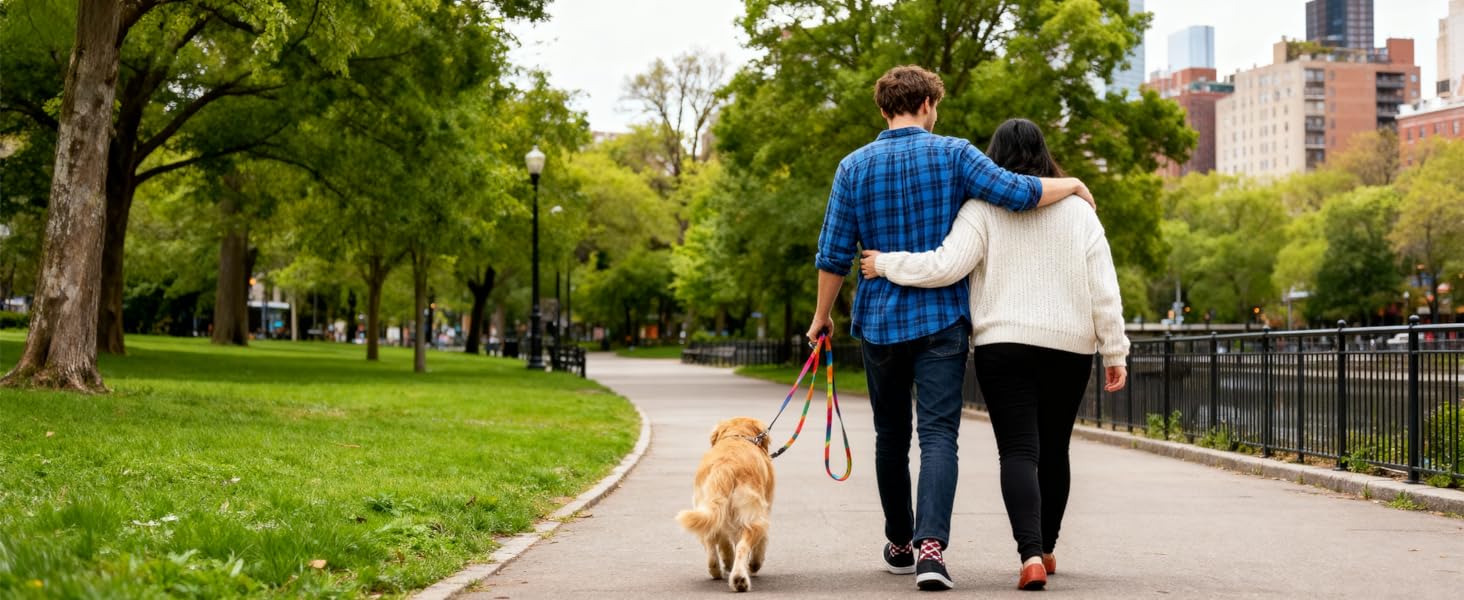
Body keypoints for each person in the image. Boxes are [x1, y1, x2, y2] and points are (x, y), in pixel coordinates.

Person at [808, 65, 1094, 592]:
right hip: (941, 321)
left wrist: (821, 317)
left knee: (891, 434)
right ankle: (931, 550)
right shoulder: (956, 154)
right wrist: (1072, 183)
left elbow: (833, 255)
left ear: (883, 109)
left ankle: (900, 541)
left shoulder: (852, 167)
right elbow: (1018, 192)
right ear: (928, 105)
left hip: (879, 321)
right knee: (939, 435)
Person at [860, 118, 1129, 591]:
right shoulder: (1080, 211)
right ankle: (1047, 549)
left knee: (1018, 451)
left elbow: (944, 266)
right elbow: (1103, 288)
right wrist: (1114, 350)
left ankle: (1029, 555)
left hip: (1003, 346)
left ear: (995, 158)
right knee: (1056, 449)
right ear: (1045, 154)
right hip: (1070, 346)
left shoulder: (981, 209)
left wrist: (884, 263)